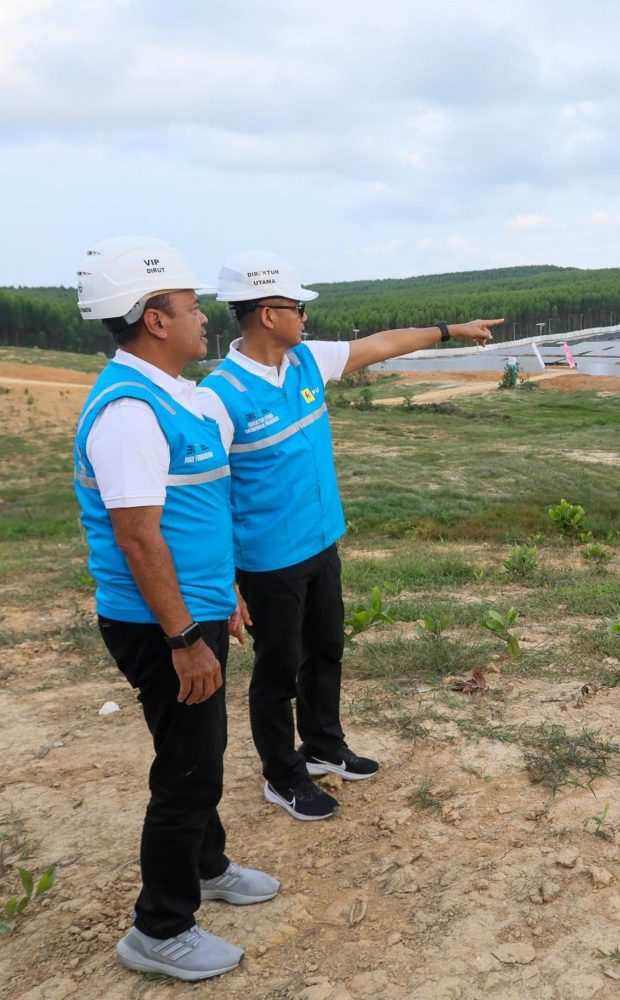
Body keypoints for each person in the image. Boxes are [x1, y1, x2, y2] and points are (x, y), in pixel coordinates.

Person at [196, 249, 502, 821]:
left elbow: (382, 344)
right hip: (266, 563)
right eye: (297, 307)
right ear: (267, 314)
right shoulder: (217, 396)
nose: (305, 316)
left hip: (320, 544)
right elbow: (206, 497)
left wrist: (449, 330)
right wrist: (223, 581)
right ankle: (282, 776)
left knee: (326, 651)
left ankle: (323, 746)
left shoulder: (306, 360)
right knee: (277, 672)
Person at [73, 236, 278, 981]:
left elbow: (194, 515)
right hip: (160, 624)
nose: (204, 318)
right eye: (192, 307)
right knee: (189, 769)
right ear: (155, 320)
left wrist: (225, 594)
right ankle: (159, 929)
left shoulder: (176, 396)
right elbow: (137, 535)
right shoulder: (130, 413)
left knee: (200, 750)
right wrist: (185, 636)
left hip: (192, 609)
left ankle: (207, 864)